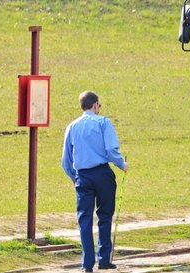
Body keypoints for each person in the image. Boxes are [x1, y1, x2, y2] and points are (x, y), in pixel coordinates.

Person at [61, 91, 129, 272]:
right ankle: (104, 258)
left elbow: (66, 160)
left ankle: (87, 263)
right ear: (96, 104)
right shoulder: (103, 122)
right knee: (105, 216)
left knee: (84, 219)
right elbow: (110, 149)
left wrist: (75, 177)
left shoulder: (72, 126)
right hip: (102, 174)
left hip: (82, 176)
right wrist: (122, 164)